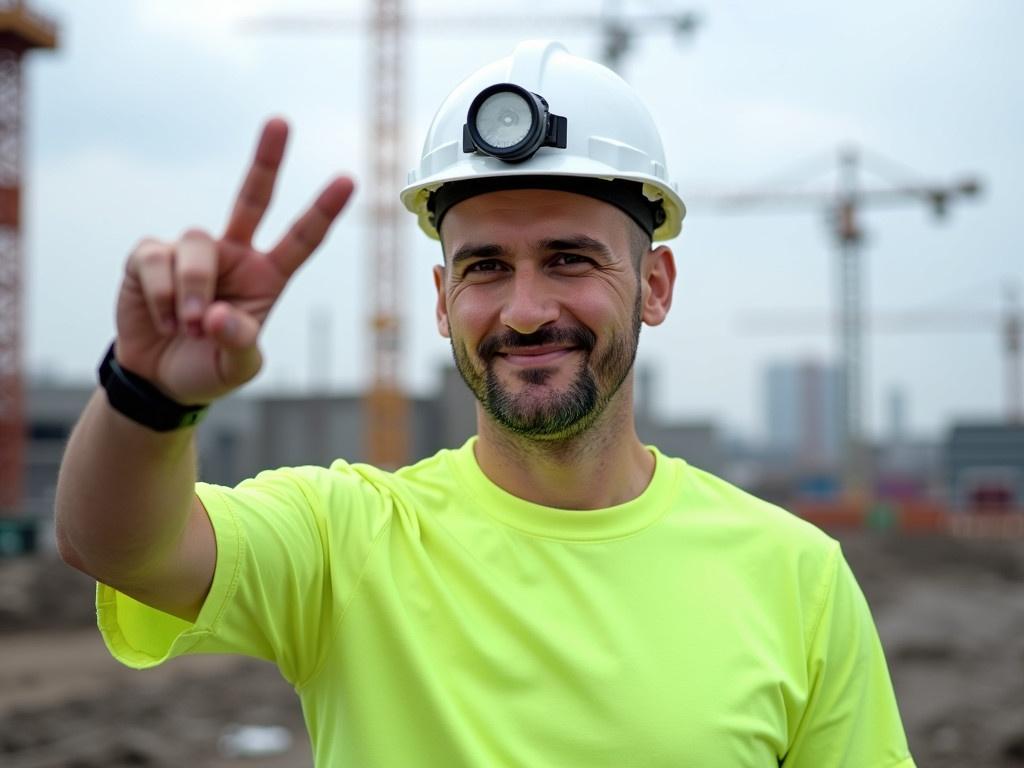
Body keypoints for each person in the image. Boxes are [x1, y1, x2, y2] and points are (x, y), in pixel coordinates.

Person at [55, 40, 915, 767]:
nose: (527, 309)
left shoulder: (795, 575)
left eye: (571, 259)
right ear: (440, 300)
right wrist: (148, 394)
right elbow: (121, 546)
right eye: (485, 267)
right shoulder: (348, 538)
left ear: (655, 285)